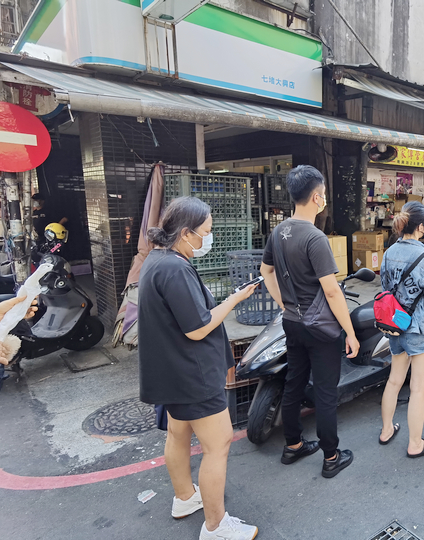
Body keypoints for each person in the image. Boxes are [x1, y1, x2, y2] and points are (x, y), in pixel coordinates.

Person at [138, 197, 259, 540]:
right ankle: (216, 526)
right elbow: (198, 327)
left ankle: (185, 498)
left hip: (172, 371)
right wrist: (233, 300)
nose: (210, 237)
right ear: (187, 233)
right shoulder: (174, 268)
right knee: (218, 444)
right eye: (206, 231)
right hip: (193, 373)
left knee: (178, 434)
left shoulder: (158, 259)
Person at [260, 165, 359, 479]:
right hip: (321, 328)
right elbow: (331, 290)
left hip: (292, 323)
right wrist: (350, 331)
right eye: (325, 194)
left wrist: (284, 303)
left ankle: (293, 445)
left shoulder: (278, 232)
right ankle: (331, 456)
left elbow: (266, 272)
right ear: (317, 197)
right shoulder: (315, 238)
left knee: (294, 384)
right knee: (326, 392)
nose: (325, 199)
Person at [379, 201, 424, 458]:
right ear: (421, 227)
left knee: (394, 380)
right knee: (418, 388)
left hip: (395, 325)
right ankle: (415, 443)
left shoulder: (388, 252)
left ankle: (386, 430)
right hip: (419, 330)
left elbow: (385, 289)